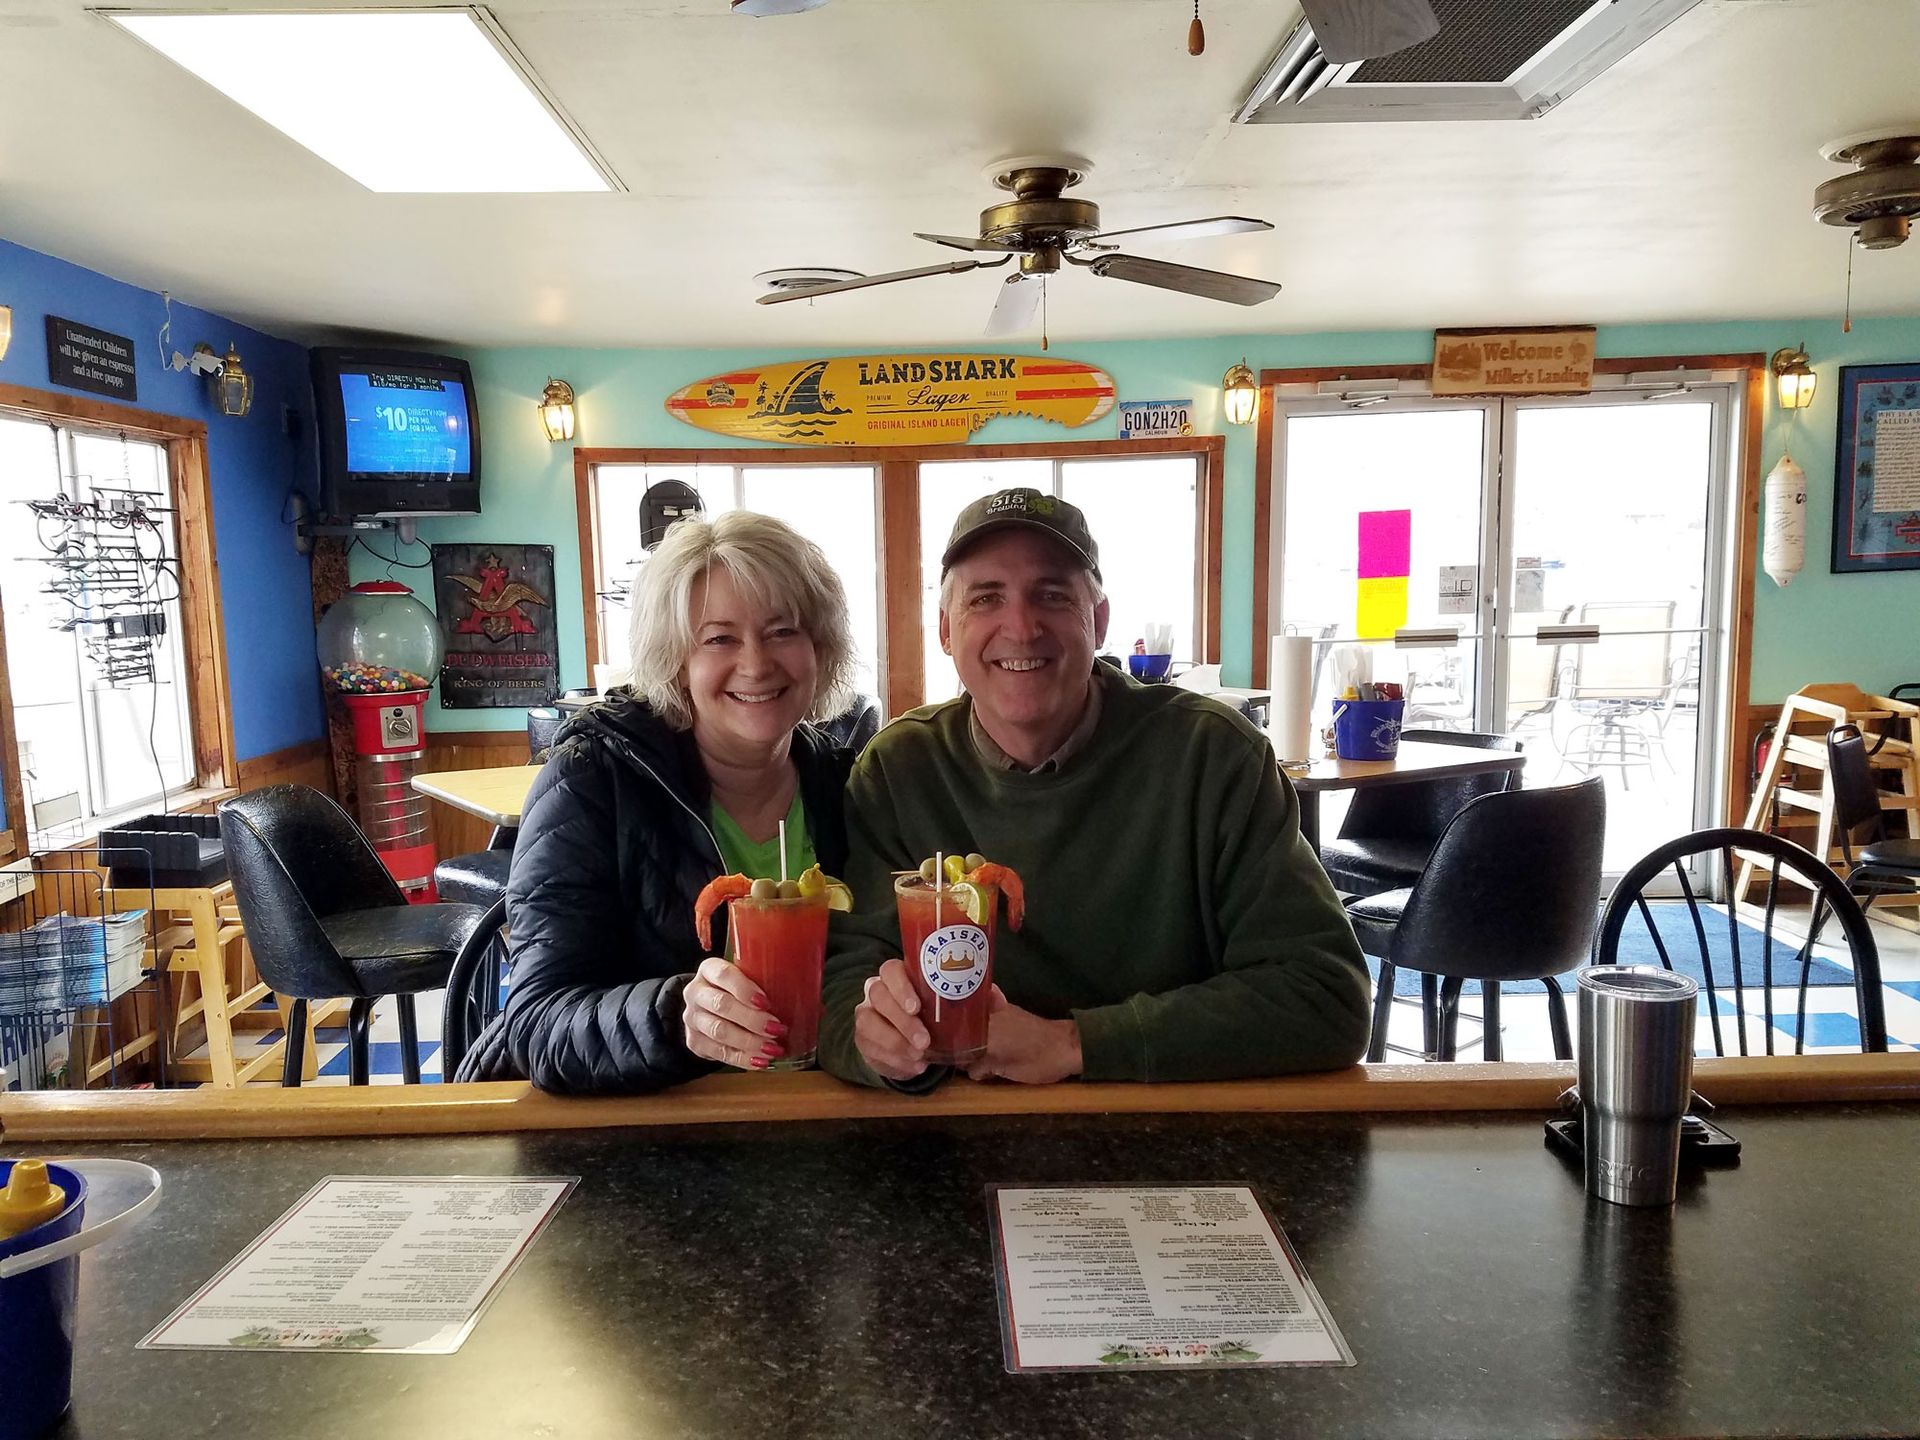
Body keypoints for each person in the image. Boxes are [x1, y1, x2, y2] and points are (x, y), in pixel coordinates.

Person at [818, 488, 1370, 1089]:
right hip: (959, 1125)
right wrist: (877, 1044)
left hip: (1174, 1128)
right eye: (986, 598)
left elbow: (1327, 997)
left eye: (1052, 595)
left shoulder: (1213, 756)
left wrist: (1074, 1044)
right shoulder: (900, 768)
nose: (1021, 626)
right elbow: (846, 978)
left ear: (1099, 621)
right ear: (947, 630)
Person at [459, 511, 858, 1093]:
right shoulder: (593, 780)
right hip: (638, 1126)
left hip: (804, 1115)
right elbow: (535, 1022)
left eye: (783, 631)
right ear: (676, 659)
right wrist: (674, 1018)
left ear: (819, 648)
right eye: (720, 638)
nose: (756, 663)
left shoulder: (845, 785)